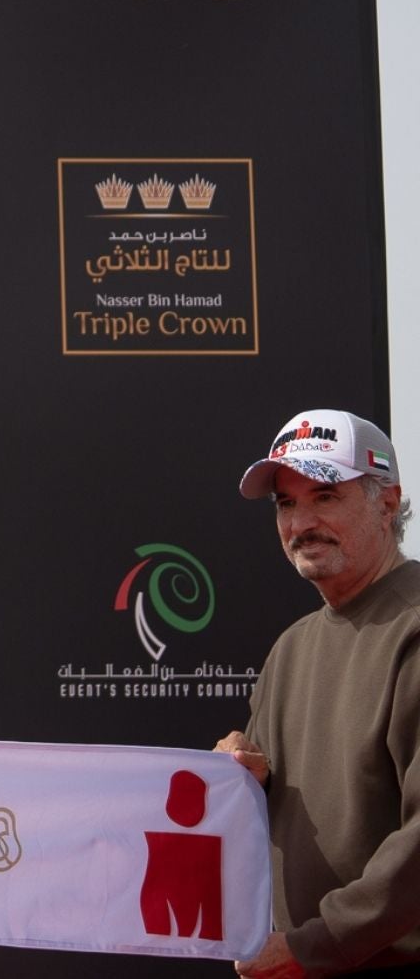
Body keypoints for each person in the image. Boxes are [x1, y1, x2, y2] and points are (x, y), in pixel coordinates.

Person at [216, 409, 420, 978]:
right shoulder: (291, 647)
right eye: (286, 503)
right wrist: (233, 779)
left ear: (386, 503)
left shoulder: (415, 627)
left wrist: (318, 943)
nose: (301, 522)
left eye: (324, 495)